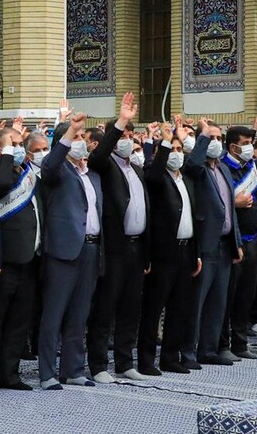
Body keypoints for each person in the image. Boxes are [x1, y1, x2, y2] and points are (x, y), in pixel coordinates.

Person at [37, 110, 103, 388]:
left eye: (82, 137)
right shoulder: (56, 171)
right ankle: (47, 373)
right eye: (75, 137)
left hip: (91, 248)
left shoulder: (91, 175)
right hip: (63, 251)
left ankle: (73, 369)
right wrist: (67, 133)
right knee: (54, 314)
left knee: (79, 313)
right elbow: (51, 164)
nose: (80, 141)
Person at [87, 95, 148, 379]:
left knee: (131, 307)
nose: (127, 139)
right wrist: (121, 121)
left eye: (130, 135)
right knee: (106, 307)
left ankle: (125, 362)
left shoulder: (136, 169)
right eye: (123, 135)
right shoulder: (105, 165)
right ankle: (98, 364)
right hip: (114, 247)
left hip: (136, 247)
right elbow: (98, 155)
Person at [0, 120, 40, 393]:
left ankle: (10, 374)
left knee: (18, 322)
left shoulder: (28, 174)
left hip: (29, 260)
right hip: (4, 262)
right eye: (12, 144)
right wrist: (3, 152)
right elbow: (1, 185)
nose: (17, 148)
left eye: (19, 144)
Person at [138, 129, 198, 375]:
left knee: (179, 306)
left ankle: (171, 357)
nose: (176, 154)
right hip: (163, 253)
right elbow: (152, 175)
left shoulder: (187, 180)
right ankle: (146, 360)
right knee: (154, 308)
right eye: (171, 149)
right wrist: (162, 143)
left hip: (185, 250)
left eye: (179, 149)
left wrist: (196, 254)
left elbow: (193, 218)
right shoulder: (158, 178)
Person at [187, 122, 242, 365]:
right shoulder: (198, 169)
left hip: (225, 243)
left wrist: (236, 241)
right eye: (211, 138)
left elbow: (230, 208)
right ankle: (189, 351)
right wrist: (203, 136)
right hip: (205, 242)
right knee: (197, 301)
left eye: (218, 138)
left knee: (218, 301)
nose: (216, 142)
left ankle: (208, 349)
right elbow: (192, 165)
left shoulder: (223, 169)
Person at [218, 124, 257, 359]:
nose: (249, 148)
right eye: (245, 144)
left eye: (251, 143)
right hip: (233, 240)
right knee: (229, 295)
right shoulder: (223, 167)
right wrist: (234, 203)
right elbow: (216, 201)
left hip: (253, 238)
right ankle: (222, 344)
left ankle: (240, 342)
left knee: (246, 294)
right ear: (233, 146)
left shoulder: (252, 167)